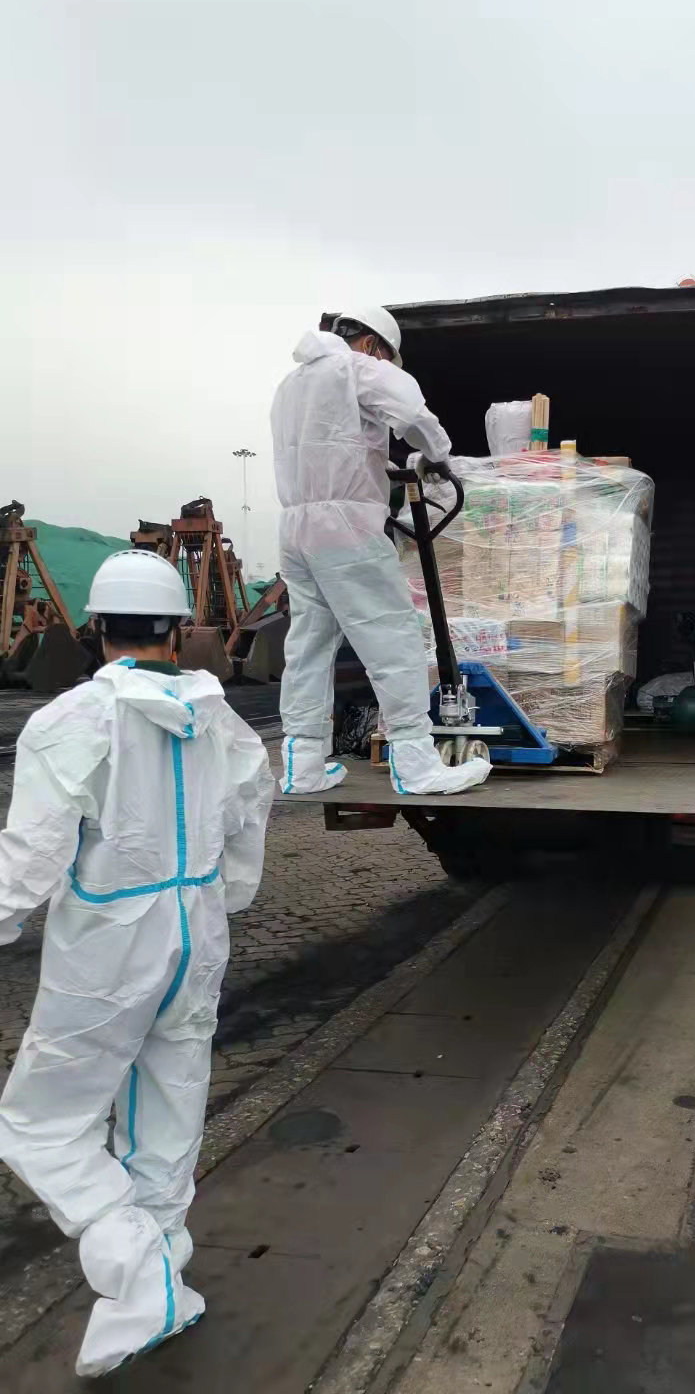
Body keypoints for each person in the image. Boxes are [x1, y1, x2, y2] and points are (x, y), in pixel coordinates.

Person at [0, 549, 274, 1377]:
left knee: (40, 1122)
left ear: (94, 628)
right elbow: (248, 830)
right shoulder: (223, 723)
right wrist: (220, 900)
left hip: (111, 943)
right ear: (176, 630)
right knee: (168, 1110)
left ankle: (134, 1267)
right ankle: (159, 1286)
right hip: (197, 929)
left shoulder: (73, 722)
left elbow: (29, 862)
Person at [271, 305, 491, 796]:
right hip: (346, 525)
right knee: (392, 637)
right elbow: (412, 415)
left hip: (295, 528)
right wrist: (436, 455)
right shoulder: (359, 368)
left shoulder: (291, 385)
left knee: (308, 647)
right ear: (373, 344)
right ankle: (416, 764)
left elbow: (332, 447)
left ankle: (302, 766)